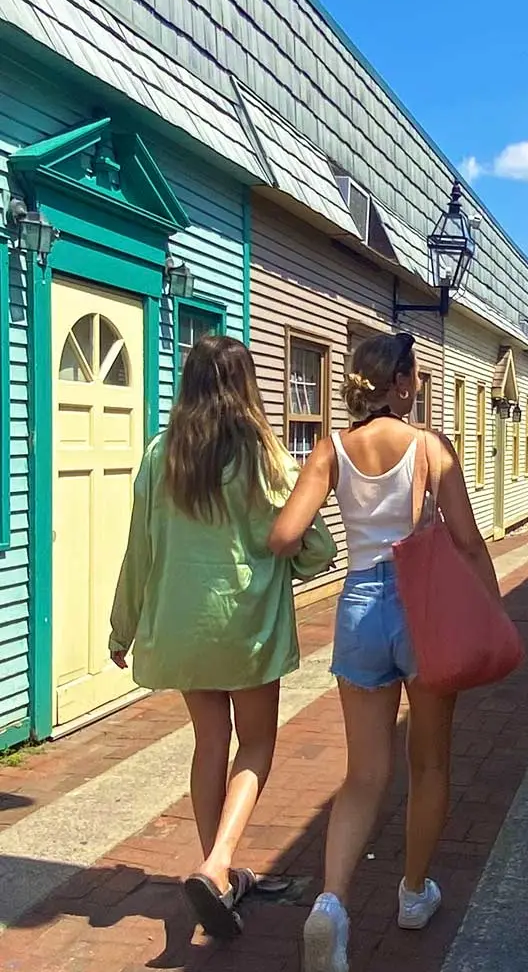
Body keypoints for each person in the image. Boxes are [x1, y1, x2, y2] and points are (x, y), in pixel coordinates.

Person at [268, 332, 500, 972]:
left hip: (359, 609)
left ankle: (331, 907)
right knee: (428, 764)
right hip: (422, 605)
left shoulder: (332, 449)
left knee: (364, 773)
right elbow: (469, 541)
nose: (419, 384)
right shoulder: (429, 448)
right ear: (399, 384)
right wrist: (494, 612)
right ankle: (413, 893)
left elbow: (286, 534)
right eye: (415, 376)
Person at [109, 335, 336, 939]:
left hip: (181, 622)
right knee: (256, 745)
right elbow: (314, 547)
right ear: (245, 385)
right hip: (246, 625)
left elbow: (141, 548)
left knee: (210, 741)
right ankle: (216, 867)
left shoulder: (161, 455)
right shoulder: (264, 457)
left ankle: (218, 870)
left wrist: (121, 625)